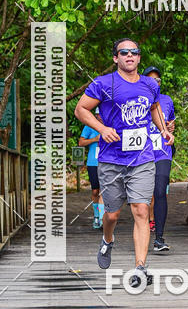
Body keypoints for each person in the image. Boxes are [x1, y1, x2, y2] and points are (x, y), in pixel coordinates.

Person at [74, 38, 174, 288]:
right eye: (124, 52)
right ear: (115, 58)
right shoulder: (103, 83)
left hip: (142, 157)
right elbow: (81, 110)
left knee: (141, 210)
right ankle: (108, 240)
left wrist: (163, 130)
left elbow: (154, 109)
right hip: (111, 159)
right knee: (113, 213)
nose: (130, 56)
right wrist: (102, 128)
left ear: (139, 58)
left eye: (134, 52)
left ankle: (140, 267)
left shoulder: (149, 84)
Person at [141, 65, 175, 254]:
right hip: (141, 153)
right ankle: (142, 234)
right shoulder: (137, 99)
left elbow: (171, 123)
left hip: (162, 152)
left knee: (160, 191)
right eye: (151, 80)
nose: (155, 83)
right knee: (142, 198)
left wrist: (170, 129)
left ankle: (159, 238)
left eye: (158, 80)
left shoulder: (167, 100)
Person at [78, 108, 104, 229]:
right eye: (97, 115)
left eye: (101, 114)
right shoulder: (89, 126)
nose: (100, 117)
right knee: (95, 191)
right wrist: (95, 139)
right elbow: (81, 142)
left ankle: (102, 217)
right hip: (93, 162)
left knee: (104, 190)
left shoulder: (110, 125)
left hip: (106, 163)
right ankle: (96, 215)